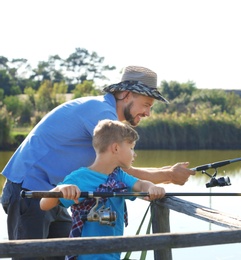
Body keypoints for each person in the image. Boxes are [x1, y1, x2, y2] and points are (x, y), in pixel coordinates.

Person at [1, 66, 194, 259]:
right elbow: (121, 170)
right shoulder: (102, 114)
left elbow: (117, 172)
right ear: (127, 95)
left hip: (57, 194)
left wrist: (167, 173)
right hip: (29, 191)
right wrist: (168, 175)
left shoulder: (103, 112)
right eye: (146, 104)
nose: (148, 113)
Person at [40, 119, 165, 260]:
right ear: (116, 148)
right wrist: (60, 189)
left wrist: (152, 187)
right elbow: (44, 204)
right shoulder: (80, 177)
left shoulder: (120, 176)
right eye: (131, 148)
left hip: (113, 255)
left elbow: (141, 185)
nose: (134, 154)